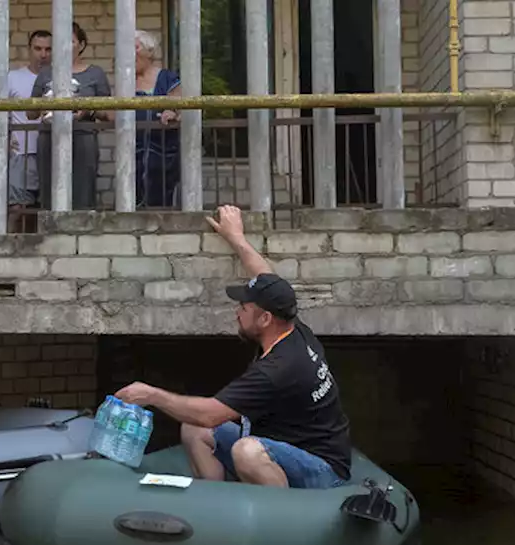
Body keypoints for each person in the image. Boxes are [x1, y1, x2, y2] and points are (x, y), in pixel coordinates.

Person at [114, 204, 352, 489]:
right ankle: (221, 506)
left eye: (243, 307)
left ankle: (282, 519)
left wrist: (151, 394)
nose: (237, 312)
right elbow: (267, 278)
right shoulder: (293, 327)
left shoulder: (277, 369)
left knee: (246, 451)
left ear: (265, 318)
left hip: (322, 469)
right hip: (280, 444)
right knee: (194, 429)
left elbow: (211, 413)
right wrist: (235, 236)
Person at [27, 22, 111, 210]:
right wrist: (45, 105)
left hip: (83, 137)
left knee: (83, 189)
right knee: (49, 188)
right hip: (49, 137)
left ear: (81, 45)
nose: (65, 46)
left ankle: (82, 233)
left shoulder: (95, 73)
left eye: (71, 41)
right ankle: (50, 233)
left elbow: (110, 113)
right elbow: (30, 112)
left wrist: (88, 109)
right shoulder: (46, 72)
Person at [133, 30, 181, 209]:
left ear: (149, 51)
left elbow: (180, 103)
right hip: (134, 153)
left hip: (163, 151)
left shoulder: (167, 78)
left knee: (162, 196)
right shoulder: (127, 81)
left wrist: (173, 111)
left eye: (135, 48)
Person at [7, 29, 52, 221]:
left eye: (48, 49)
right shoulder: (13, 78)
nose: (43, 54)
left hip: (53, 151)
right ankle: (7, 248)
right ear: (29, 50)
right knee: (18, 208)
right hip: (23, 152)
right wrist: (5, 138)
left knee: (48, 208)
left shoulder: (60, 78)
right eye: (38, 48)